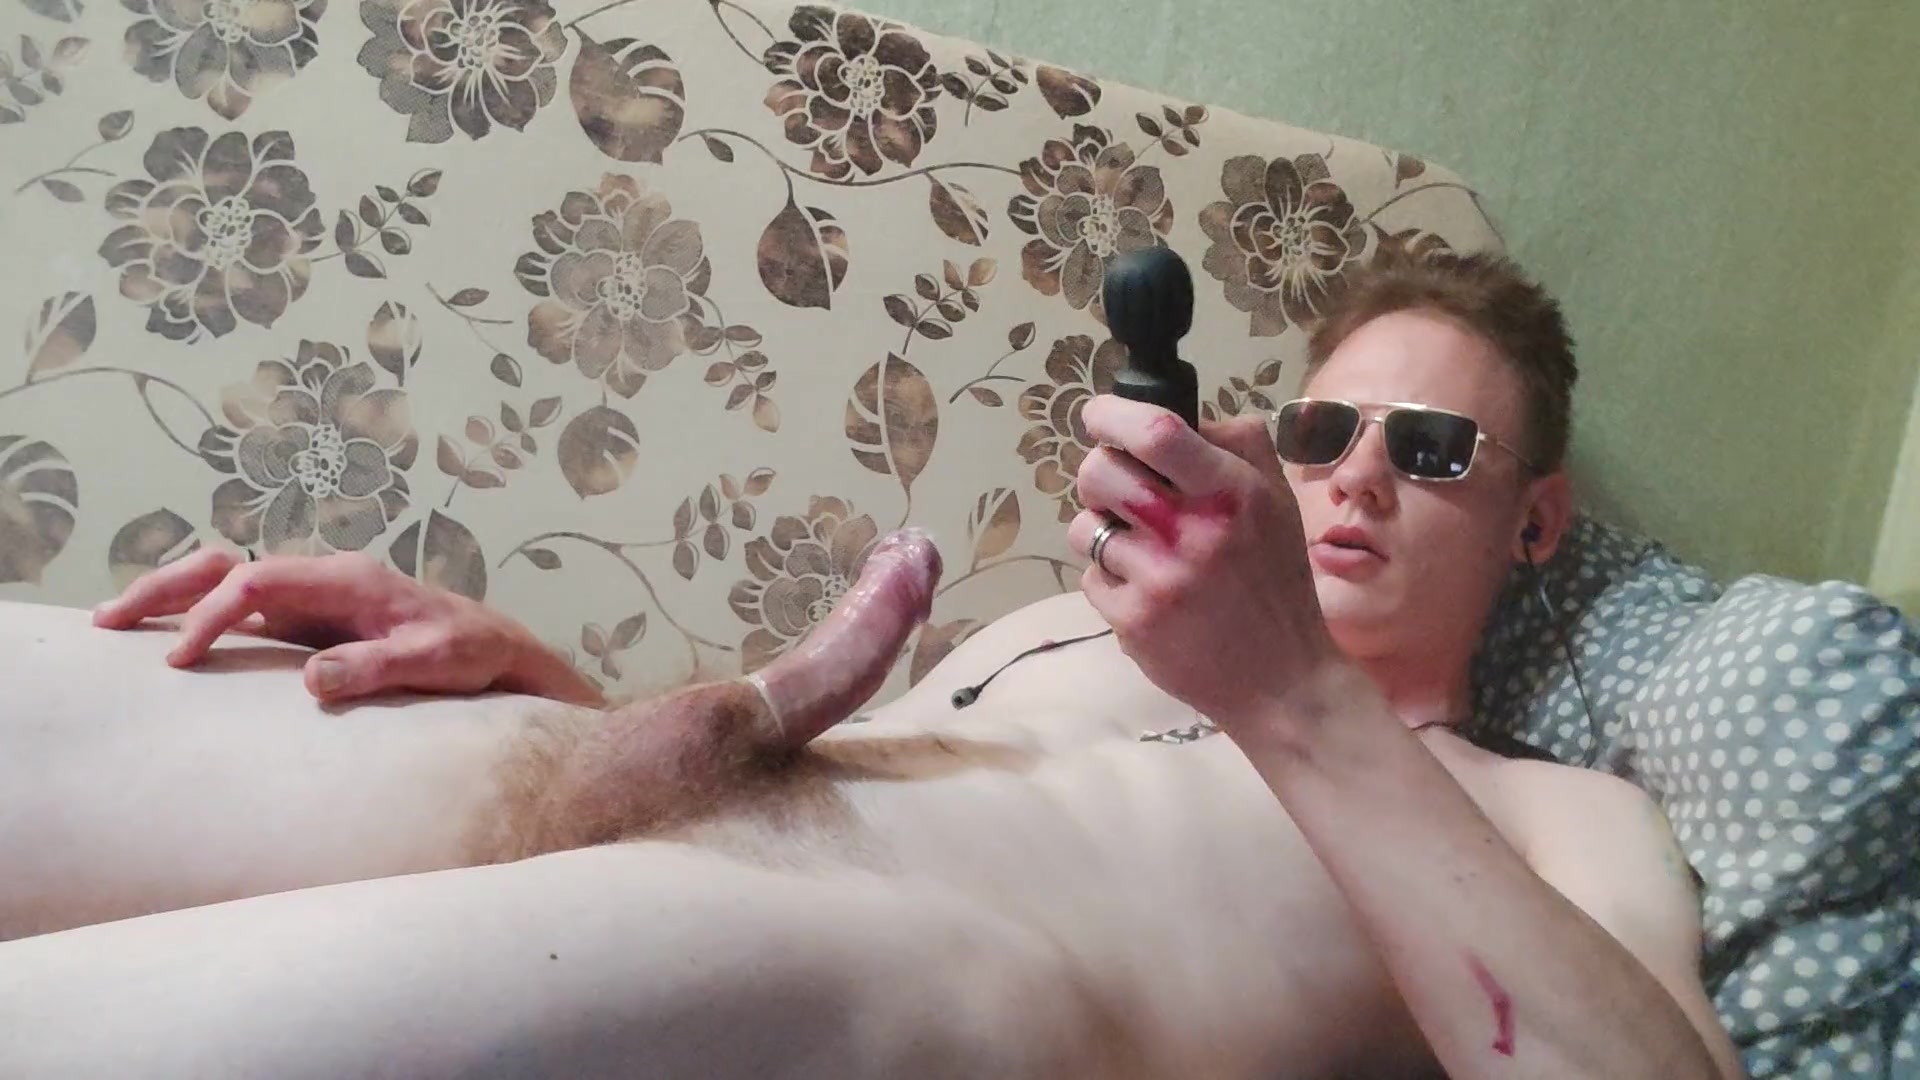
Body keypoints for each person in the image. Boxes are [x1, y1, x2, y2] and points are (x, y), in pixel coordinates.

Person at [0, 252, 1743, 1079]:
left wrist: (1291, 689)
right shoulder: (1062, 625)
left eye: (1431, 451)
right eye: (1321, 430)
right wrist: (547, 693)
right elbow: (833, 784)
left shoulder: (1551, 816)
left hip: (897, 977)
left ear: (1535, 521)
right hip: (632, 809)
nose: (1353, 479)